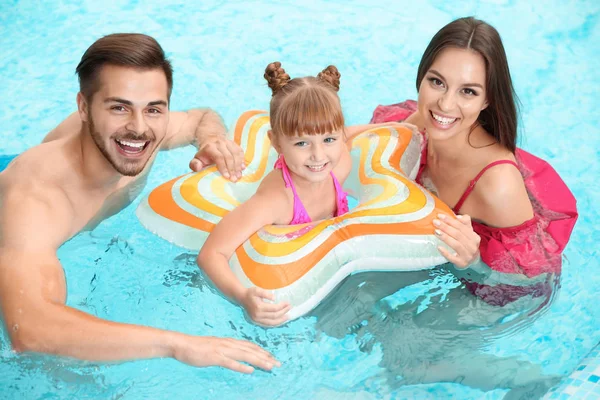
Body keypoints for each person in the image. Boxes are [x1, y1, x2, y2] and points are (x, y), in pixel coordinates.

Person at [0, 33, 279, 374]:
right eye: (119, 107)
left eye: (153, 109)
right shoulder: (35, 201)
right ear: (84, 108)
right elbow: (30, 330)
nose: (138, 128)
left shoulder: (143, 135)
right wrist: (178, 344)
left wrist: (212, 141)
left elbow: (199, 117)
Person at [367, 16, 578, 300]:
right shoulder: (418, 123)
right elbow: (351, 141)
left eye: (468, 91)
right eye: (437, 82)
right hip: (434, 255)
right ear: (421, 77)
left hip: (497, 289)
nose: (445, 104)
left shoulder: (497, 185)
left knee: (407, 339)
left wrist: (474, 261)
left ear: (487, 99)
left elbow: (531, 282)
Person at [197, 62, 352, 327]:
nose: (318, 156)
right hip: (285, 290)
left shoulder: (338, 167)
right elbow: (211, 254)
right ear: (276, 142)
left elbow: (350, 141)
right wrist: (243, 298)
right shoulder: (276, 201)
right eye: (302, 143)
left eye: (329, 139)